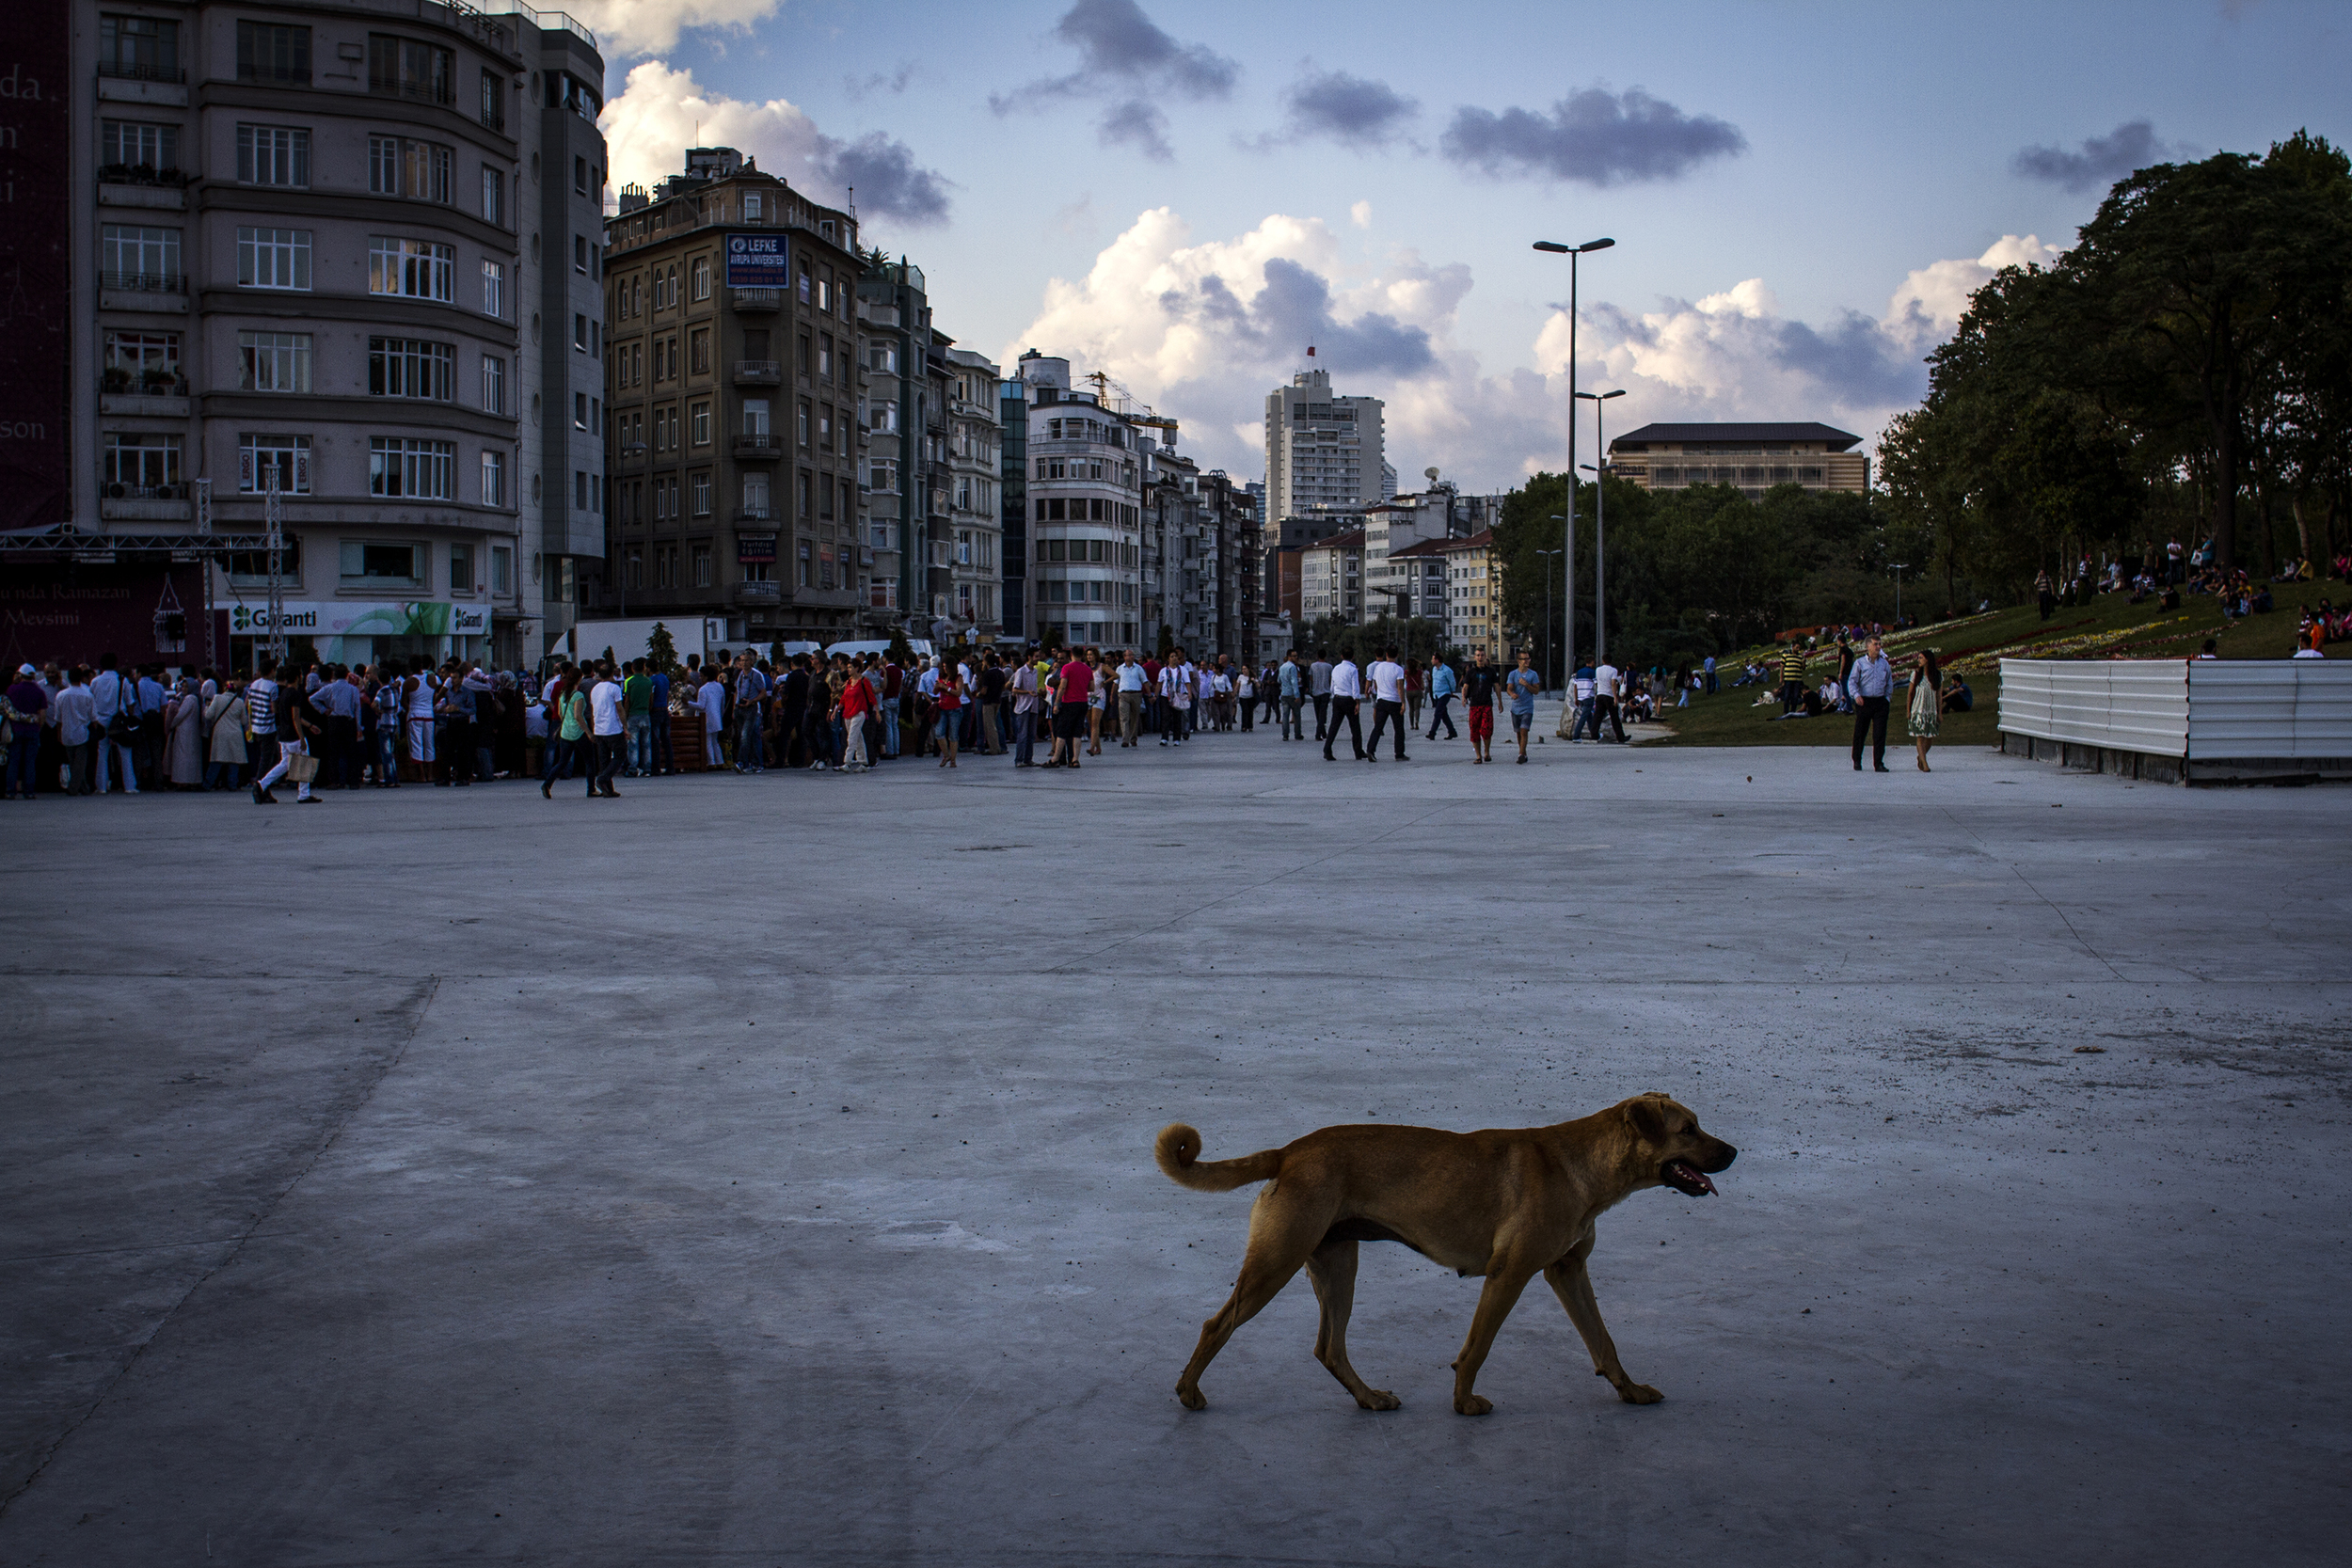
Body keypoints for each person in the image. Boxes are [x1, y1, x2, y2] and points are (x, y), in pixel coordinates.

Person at [1848, 635, 1895, 772]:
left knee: (1880, 733)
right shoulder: (1860, 663)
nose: (1878, 647)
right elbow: (1852, 681)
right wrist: (1856, 696)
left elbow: (1889, 682)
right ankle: (1857, 760)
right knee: (1860, 733)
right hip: (1865, 701)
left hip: (1880, 701)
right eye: (1875, 644)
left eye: (1880, 644)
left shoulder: (1884, 664)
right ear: (1868, 646)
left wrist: (1887, 698)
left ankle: (1879, 762)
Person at [5, 664, 47, 799]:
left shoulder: (11, 689)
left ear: (20, 675)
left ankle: (10, 791)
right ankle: (29, 792)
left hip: (15, 729)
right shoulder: (39, 692)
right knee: (30, 762)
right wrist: (38, 728)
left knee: (14, 761)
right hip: (32, 730)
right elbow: (43, 715)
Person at [588, 661, 626, 796]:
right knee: (620, 755)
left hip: (599, 727)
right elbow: (619, 709)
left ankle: (608, 789)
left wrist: (593, 727)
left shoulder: (595, 689)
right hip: (613, 727)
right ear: (612, 674)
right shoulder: (614, 688)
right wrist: (625, 727)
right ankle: (603, 779)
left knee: (604, 759)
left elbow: (593, 709)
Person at [1364, 648, 1409, 761]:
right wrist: (1403, 702)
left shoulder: (1378, 667)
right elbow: (1400, 687)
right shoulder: (1398, 669)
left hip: (1382, 700)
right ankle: (1399, 753)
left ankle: (1370, 749)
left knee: (1378, 727)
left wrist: (1380, 693)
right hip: (1394, 701)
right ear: (1397, 655)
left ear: (1386, 654)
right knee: (1398, 729)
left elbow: (1375, 683)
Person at [203, 679, 247, 792]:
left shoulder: (217, 698)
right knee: (234, 760)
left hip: (220, 733)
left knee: (217, 760)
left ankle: (208, 783)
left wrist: (206, 707)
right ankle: (232, 784)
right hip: (236, 733)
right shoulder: (239, 702)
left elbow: (208, 715)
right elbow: (244, 721)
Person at [1051, 648, 1091, 768]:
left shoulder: (1067, 668)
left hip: (1069, 702)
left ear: (1071, 655)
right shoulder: (1087, 669)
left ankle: (1055, 758)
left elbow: (1062, 687)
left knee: (1062, 731)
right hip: (1082, 702)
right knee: (1077, 732)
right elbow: (1092, 687)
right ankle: (1075, 759)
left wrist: (1057, 703)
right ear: (1082, 655)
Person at [1325, 652, 1365, 761]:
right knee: (1355, 727)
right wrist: (1357, 702)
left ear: (1341, 656)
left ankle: (1327, 749)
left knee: (1334, 726)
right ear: (1353, 656)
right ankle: (1358, 751)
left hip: (1337, 698)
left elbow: (1332, 686)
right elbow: (1355, 687)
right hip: (1349, 699)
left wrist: (1333, 696)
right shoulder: (1353, 670)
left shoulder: (1336, 669)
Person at [1504, 649, 1543, 764]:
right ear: (1518, 661)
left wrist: (1526, 684)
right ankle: (1523, 752)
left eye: (1528, 658)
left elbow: (1536, 691)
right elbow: (1509, 688)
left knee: (1524, 731)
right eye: (1524, 659)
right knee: (1518, 732)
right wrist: (1512, 694)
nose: (1527, 661)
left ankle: (1521, 754)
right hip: (1516, 707)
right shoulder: (1513, 674)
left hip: (1527, 707)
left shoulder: (1533, 674)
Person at [165, 677, 203, 788]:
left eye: (186, 686)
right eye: (183, 686)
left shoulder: (189, 699)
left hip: (184, 731)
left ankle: (183, 781)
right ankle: (190, 780)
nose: (184, 689)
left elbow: (180, 715)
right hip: (191, 731)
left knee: (183, 757)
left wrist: (172, 724)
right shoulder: (195, 698)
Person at [1463, 649, 1500, 763]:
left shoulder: (1491, 671)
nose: (1480, 657)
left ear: (1485, 656)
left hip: (1486, 704)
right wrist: (1464, 697)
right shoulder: (1471, 672)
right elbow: (1465, 686)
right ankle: (1478, 755)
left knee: (1487, 729)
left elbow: (1497, 686)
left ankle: (1487, 752)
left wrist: (1500, 701)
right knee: (1474, 730)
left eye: (1482, 655)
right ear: (1475, 657)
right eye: (1478, 655)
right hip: (1474, 705)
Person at [1908, 648, 1943, 770]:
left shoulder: (1937, 676)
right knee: (1920, 736)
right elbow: (1910, 693)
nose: (1919, 660)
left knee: (1929, 737)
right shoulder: (1916, 675)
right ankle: (1925, 763)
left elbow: (1939, 695)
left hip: (1931, 710)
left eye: (1921, 658)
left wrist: (1940, 713)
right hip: (1918, 709)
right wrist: (1908, 711)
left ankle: (1920, 757)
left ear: (1928, 660)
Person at [839, 657, 873, 773]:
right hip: (848, 712)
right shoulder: (848, 682)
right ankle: (863, 762)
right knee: (858, 737)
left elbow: (871, 697)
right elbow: (844, 697)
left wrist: (876, 711)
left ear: (857, 668)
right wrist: (835, 709)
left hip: (859, 712)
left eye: (850, 667)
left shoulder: (864, 681)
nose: (848, 670)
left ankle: (847, 762)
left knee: (852, 737)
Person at [1011, 653, 1041, 765]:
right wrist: (1027, 692)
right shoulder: (1021, 671)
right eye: (1036, 656)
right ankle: (1019, 759)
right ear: (1030, 657)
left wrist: (1038, 691)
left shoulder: (1035, 671)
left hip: (1033, 705)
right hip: (1023, 706)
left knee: (1031, 734)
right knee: (1022, 734)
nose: (1038, 659)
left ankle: (1028, 759)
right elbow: (1015, 690)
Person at [932, 661, 963, 768]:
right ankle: (946, 755)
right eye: (943, 666)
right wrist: (937, 687)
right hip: (942, 707)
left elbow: (958, 692)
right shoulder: (941, 677)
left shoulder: (958, 677)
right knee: (939, 733)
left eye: (947, 667)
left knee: (953, 735)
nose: (945, 669)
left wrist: (946, 688)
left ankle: (953, 760)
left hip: (954, 708)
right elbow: (935, 692)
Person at [1157, 650, 1191, 748]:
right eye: (1172, 656)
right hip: (1166, 695)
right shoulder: (1164, 671)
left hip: (1178, 695)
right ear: (1168, 659)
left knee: (1177, 717)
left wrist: (1189, 693)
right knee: (1166, 717)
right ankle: (1164, 737)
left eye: (1175, 656)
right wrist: (1155, 695)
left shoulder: (1183, 670)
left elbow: (1187, 682)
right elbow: (1159, 683)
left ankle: (1176, 739)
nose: (1174, 658)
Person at [1591, 657, 1627, 743]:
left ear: (1603, 661)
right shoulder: (1613, 670)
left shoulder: (1598, 670)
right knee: (1614, 718)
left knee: (1597, 716)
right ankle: (1620, 737)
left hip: (1600, 695)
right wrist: (1615, 697)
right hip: (1609, 695)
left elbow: (1597, 682)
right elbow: (1613, 683)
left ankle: (1594, 734)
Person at [1115, 649, 1145, 747]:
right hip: (1123, 694)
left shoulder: (1138, 668)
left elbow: (1145, 681)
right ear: (1124, 657)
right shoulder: (1119, 669)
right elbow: (1116, 683)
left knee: (1135, 717)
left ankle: (1133, 738)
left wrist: (1149, 694)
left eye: (1131, 655)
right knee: (1124, 717)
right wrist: (1112, 695)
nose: (1130, 657)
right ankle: (1125, 739)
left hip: (1136, 694)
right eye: (1128, 655)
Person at [1426, 655, 1458, 740]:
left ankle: (1432, 733)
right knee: (1444, 715)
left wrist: (1452, 691)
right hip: (1436, 694)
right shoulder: (1434, 670)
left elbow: (1452, 681)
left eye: (1433, 659)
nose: (1431, 661)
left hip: (1444, 694)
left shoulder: (1447, 670)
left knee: (1438, 713)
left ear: (1437, 660)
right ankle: (1452, 731)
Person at [1279, 650, 1306, 741]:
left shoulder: (1282, 667)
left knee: (1285, 715)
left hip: (1284, 693)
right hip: (1292, 694)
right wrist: (1297, 695)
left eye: (1296, 656)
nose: (1296, 658)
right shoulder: (1292, 667)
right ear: (1289, 656)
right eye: (1294, 656)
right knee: (1297, 715)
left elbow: (1279, 680)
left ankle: (1285, 735)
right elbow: (1294, 681)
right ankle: (1297, 734)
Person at [1309, 653, 1333, 742]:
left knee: (1318, 713)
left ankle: (1321, 731)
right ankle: (1320, 732)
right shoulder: (1329, 666)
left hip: (1316, 691)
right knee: (1323, 713)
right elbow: (1331, 679)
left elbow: (1311, 678)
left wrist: (1312, 687)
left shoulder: (1313, 666)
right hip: (1325, 691)